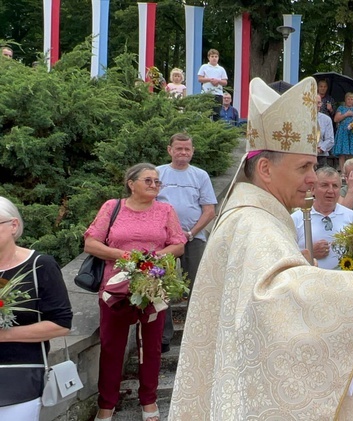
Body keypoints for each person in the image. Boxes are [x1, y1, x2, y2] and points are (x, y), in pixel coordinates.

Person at [169, 77, 353, 420]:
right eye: (304, 167)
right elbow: (281, 296)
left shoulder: (251, 213)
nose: (313, 177)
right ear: (265, 168)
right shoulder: (253, 223)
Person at [85, 163, 186, 421]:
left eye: (157, 181)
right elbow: (91, 243)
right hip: (115, 289)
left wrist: (150, 259)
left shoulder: (165, 210)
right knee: (111, 347)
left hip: (153, 287)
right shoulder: (112, 207)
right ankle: (106, 404)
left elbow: (178, 245)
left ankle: (149, 401)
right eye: (148, 181)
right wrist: (127, 257)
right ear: (131, 183)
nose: (154, 185)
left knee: (151, 347)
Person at [0, 197, 72, 420]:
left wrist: (4, 335)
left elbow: (61, 324)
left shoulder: (40, 265)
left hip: (19, 373)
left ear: (13, 225)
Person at [156, 133, 217, 352]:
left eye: (187, 149)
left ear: (192, 151)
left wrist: (190, 233)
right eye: (179, 148)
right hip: (164, 241)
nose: (183, 153)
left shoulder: (200, 176)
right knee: (162, 286)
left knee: (197, 285)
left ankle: (195, 334)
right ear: (169, 150)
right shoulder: (157, 173)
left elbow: (209, 211)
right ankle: (163, 337)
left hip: (194, 238)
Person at [291, 167, 353, 271]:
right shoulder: (296, 219)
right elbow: (286, 259)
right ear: (312, 189)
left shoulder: (352, 217)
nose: (330, 190)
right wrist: (310, 254)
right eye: (324, 185)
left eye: (335, 186)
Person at [333, 92, 353, 170]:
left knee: (352, 153)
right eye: (348, 99)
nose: (349, 101)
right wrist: (346, 114)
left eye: (351, 99)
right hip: (343, 132)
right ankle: (342, 172)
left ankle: (350, 171)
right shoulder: (341, 108)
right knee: (342, 152)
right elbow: (336, 119)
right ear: (345, 99)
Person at [316, 96, 335, 168]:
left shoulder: (326, 119)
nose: (317, 105)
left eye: (319, 103)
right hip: (304, 155)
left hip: (320, 156)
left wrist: (320, 149)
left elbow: (330, 139)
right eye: (314, 103)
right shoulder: (302, 118)